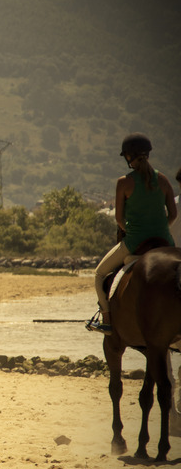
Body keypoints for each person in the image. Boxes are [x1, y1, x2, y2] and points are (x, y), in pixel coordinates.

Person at [86, 133, 176, 333]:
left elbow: (119, 218)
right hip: (165, 242)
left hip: (135, 241)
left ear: (128, 157)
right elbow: (173, 214)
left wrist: (134, 231)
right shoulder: (163, 180)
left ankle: (107, 320)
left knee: (99, 274)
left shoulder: (124, 183)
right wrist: (160, 228)